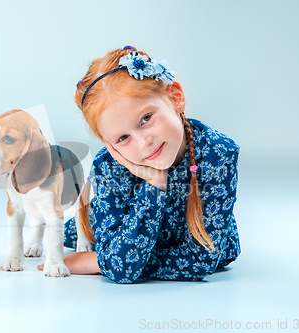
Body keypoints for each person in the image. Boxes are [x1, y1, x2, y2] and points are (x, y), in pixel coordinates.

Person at [38, 45, 240, 283]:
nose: (144, 143)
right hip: (105, 223)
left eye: (146, 118)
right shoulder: (109, 166)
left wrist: (100, 261)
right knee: (74, 230)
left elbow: (202, 260)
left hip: (181, 241)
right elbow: (122, 270)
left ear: (175, 97)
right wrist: (155, 183)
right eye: (122, 138)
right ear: (109, 144)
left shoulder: (218, 152)